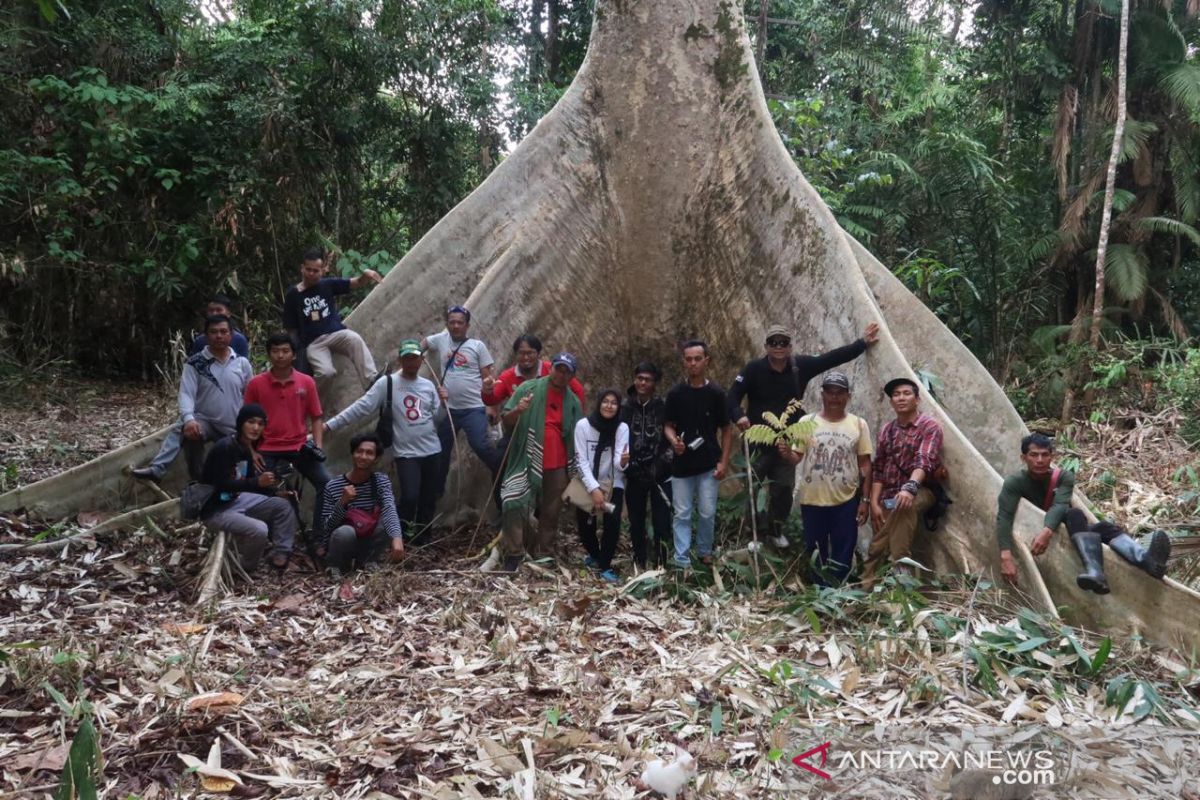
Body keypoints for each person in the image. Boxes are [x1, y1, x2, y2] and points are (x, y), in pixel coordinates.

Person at [729, 322, 880, 548]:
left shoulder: (800, 366)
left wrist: (862, 343)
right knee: (754, 488)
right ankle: (755, 535)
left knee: (783, 488)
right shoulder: (753, 369)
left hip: (787, 442)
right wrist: (738, 416)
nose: (778, 347)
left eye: (783, 343)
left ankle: (775, 529)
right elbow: (732, 396)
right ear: (766, 346)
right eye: (773, 342)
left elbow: (830, 358)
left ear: (790, 346)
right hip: (757, 441)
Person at [996, 433, 1171, 593]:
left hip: (1062, 531)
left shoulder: (1063, 477)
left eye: (1045, 455)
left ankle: (1145, 560)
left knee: (1103, 526)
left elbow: (1060, 505)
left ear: (1052, 457)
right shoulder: (1015, 482)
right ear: (1024, 458)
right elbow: (1004, 516)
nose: (1040, 460)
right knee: (1076, 515)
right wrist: (1006, 557)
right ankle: (1096, 572)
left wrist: (1047, 531)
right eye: (1034, 455)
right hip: (1033, 534)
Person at [325, 339, 442, 539]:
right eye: (407, 358)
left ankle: (423, 538)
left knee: (429, 497)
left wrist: (444, 401)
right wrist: (329, 425)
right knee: (410, 496)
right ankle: (401, 536)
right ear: (400, 359)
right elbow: (360, 408)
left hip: (432, 449)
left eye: (415, 358)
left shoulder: (428, 385)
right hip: (407, 453)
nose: (411, 362)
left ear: (422, 360)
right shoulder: (387, 383)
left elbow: (437, 418)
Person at [777, 371, 873, 585]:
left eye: (840, 393)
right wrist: (786, 454)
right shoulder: (807, 422)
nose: (835, 397)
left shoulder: (858, 424)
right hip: (812, 498)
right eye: (830, 392)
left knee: (844, 547)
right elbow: (797, 457)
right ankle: (820, 591)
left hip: (846, 498)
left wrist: (865, 500)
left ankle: (837, 591)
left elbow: (865, 464)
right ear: (822, 394)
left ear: (848, 396)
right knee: (815, 547)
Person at [132, 315, 253, 483]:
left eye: (223, 332)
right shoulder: (195, 363)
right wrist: (189, 419)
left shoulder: (242, 363)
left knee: (242, 460)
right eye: (214, 332)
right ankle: (183, 475)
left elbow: (250, 395)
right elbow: (186, 394)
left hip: (234, 423)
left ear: (231, 335)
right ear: (205, 336)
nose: (219, 336)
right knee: (186, 429)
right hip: (206, 420)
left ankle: (240, 486)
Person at [493, 353, 583, 572]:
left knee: (551, 511)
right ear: (550, 367)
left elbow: (576, 433)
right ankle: (514, 551)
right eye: (558, 369)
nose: (561, 375)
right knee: (512, 500)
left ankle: (544, 553)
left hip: (558, 462)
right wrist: (519, 410)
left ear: (572, 376)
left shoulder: (572, 401)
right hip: (527, 456)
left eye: (567, 371)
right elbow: (506, 419)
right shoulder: (528, 389)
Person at [243, 333, 330, 528]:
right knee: (257, 488)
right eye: (275, 351)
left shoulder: (306, 382)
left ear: (294, 355)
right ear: (268, 354)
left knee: (326, 484)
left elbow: (317, 416)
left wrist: (317, 446)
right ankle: (266, 534)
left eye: (285, 351)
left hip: (299, 445)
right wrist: (251, 451)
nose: (280, 356)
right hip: (266, 447)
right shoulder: (256, 384)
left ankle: (319, 534)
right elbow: (245, 421)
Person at [199, 404, 300, 571]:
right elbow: (220, 484)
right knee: (260, 530)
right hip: (215, 509)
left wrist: (276, 492)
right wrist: (256, 482)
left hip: (236, 500)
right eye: (251, 422)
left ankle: (281, 555)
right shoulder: (224, 448)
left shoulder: (245, 448)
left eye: (260, 424)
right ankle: (245, 567)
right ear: (240, 423)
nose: (256, 428)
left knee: (283, 506)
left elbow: (249, 484)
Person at [864, 377, 943, 584]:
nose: (901, 398)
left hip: (921, 491)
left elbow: (924, 460)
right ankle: (866, 587)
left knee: (903, 505)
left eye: (906, 393)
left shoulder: (929, 426)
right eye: (896, 395)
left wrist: (910, 487)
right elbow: (879, 468)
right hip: (889, 496)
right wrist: (874, 502)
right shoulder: (887, 430)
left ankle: (900, 564)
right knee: (882, 530)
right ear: (891, 402)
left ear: (917, 399)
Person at [664, 340, 733, 568]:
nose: (693, 363)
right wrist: (675, 442)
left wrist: (723, 461)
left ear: (706, 361)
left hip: (708, 464)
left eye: (697, 359)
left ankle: (705, 551)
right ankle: (681, 558)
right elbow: (668, 425)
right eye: (689, 359)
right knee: (682, 513)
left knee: (707, 512)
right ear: (683, 362)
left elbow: (726, 429)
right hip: (682, 466)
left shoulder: (716, 393)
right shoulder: (675, 394)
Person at [422, 305, 501, 494]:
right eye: (452, 322)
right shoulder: (441, 340)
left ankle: (502, 473)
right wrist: (417, 351)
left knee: (480, 445)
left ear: (467, 325)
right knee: (440, 451)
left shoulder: (477, 346)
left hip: (474, 408)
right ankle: (436, 493)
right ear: (447, 324)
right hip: (448, 409)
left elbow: (488, 378)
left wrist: (492, 406)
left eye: (460, 323)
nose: (456, 326)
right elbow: (425, 341)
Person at [282, 248, 381, 390]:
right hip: (313, 342)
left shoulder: (327, 284)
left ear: (322, 271)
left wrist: (366, 275)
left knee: (354, 339)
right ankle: (309, 397)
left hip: (335, 333)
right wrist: (294, 351)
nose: (311, 273)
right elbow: (290, 327)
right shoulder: (293, 294)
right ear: (302, 268)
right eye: (308, 269)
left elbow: (356, 282)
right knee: (326, 373)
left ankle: (371, 380)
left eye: (315, 271)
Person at [317, 433, 405, 577]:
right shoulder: (334, 486)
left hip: (367, 539)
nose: (363, 456)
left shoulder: (380, 481)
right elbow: (327, 527)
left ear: (376, 459)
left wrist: (397, 538)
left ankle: (367, 561)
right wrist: (342, 502)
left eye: (369, 453)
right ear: (353, 454)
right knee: (345, 532)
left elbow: (389, 509)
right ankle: (335, 566)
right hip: (343, 542)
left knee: (386, 521)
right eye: (359, 451)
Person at [573, 388, 630, 583]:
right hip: (587, 480)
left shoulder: (621, 428)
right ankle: (595, 555)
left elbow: (617, 464)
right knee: (584, 525)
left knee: (612, 523)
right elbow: (580, 460)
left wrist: (623, 462)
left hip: (613, 482)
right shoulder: (583, 426)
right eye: (605, 401)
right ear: (599, 403)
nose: (609, 406)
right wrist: (593, 488)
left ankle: (605, 565)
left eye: (614, 402)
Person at [620, 362, 673, 568]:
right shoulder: (625, 407)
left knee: (661, 521)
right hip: (633, 472)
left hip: (660, 472)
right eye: (639, 378)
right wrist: (628, 464)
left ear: (655, 383)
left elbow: (671, 438)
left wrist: (661, 464)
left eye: (647, 379)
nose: (642, 383)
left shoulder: (663, 406)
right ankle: (639, 559)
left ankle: (662, 561)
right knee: (636, 520)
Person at [482, 334, 585, 409]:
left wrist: (576, 415)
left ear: (538, 353)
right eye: (521, 353)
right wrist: (487, 390)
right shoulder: (507, 376)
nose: (526, 357)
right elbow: (491, 400)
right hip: (521, 423)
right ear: (515, 354)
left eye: (530, 353)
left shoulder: (552, 369)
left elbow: (578, 390)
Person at [189, 294, 250, 359]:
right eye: (211, 310)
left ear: (228, 313)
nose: (214, 314)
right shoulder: (200, 341)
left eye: (219, 310)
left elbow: (243, 366)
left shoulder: (239, 340)